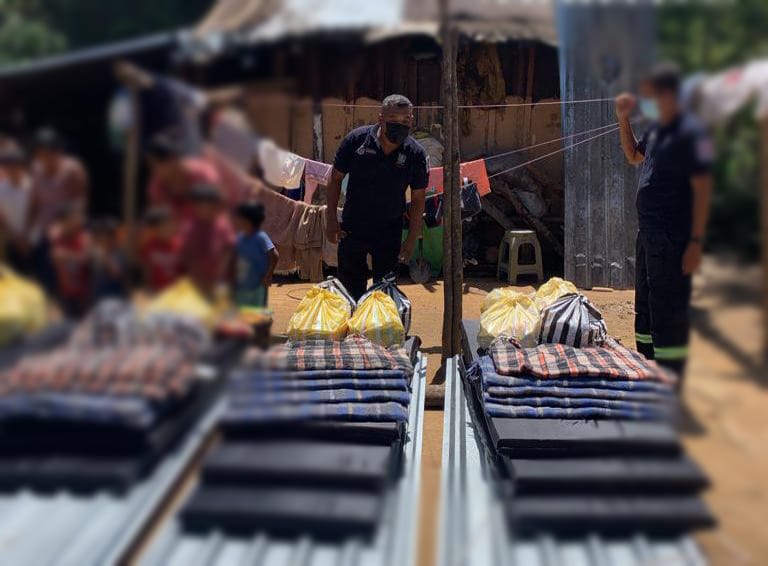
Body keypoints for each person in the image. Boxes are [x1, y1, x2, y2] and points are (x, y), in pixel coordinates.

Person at [616, 62, 714, 385]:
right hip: (649, 234)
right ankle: (646, 366)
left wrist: (696, 242)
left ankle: (672, 380)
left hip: (673, 235)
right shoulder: (657, 129)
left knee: (668, 309)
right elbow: (633, 156)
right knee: (645, 306)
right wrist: (622, 118)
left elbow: (703, 187)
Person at [325, 94, 429, 300]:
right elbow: (335, 179)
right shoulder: (356, 141)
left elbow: (418, 199)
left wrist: (410, 240)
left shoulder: (416, 154)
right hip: (353, 227)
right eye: (393, 119)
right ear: (381, 118)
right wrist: (331, 219)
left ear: (411, 120)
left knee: (384, 295)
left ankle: (377, 321)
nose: (400, 125)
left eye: (405, 120)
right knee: (350, 292)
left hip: (389, 230)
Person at [29, 128, 89, 292]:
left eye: (49, 153)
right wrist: (28, 230)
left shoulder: (73, 169)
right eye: (40, 154)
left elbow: (80, 203)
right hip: (46, 232)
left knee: (72, 280)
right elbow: (34, 202)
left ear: (58, 152)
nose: (45, 158)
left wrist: (66, 228)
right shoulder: (35, 169)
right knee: (46, 278)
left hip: (69, 233)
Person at [146, 133, 219, 222]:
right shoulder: (157, 186)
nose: (155, 171)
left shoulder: (203, 176)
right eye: (152, 166)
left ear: (173, 159)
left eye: (158, 164)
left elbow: (216, 212)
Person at [179, 183, 236, 295]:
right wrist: (197, 275)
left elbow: (228, 250)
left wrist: (219, 273)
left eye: (207, 206)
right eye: (199, 206)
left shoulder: (223, 225)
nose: (203, 209)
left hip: (219, 281)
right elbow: (186, 254)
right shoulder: (190, 226)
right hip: (195, 280)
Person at [232, 202, 278, 308]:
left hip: (259, 284)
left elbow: (275, 255)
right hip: (242, 282)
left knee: (258, 310)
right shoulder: (240, 237)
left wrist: (268, 275)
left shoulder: (261, 237)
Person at [49, 203, 91, 318]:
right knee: (68, 319)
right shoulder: (57, 237)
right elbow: (55, 257)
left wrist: (67, 255)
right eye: (73, 218)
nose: (78, 220)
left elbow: (85, 259)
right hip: (65, 292)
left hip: (83, 292)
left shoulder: (83, 237)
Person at [0, 146, 33, 270]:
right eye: (8, 165)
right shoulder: (1, 189)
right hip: (11, 242)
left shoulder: (33, 187)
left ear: (23, 166)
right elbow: (2, 219)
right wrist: (16, 239)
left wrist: (27, 238)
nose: (12, 169)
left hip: (33, 242)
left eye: (15, 165)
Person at [139, 206, 182, 292]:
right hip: (157, 292)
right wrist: (148, 289)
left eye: (166, 224)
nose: (164, 229)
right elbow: (147, 270)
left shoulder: (180, 245)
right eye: (159, 226)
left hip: (176, 292)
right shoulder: (149, 245)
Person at [90, 217, 127, 301]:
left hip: (115, 296)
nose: (108, 239)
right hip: (98, 297)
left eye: (110, 235)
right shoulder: (95, 252)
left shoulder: (118, 253)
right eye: (104, 235)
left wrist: (105, 256)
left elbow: (116, 272)